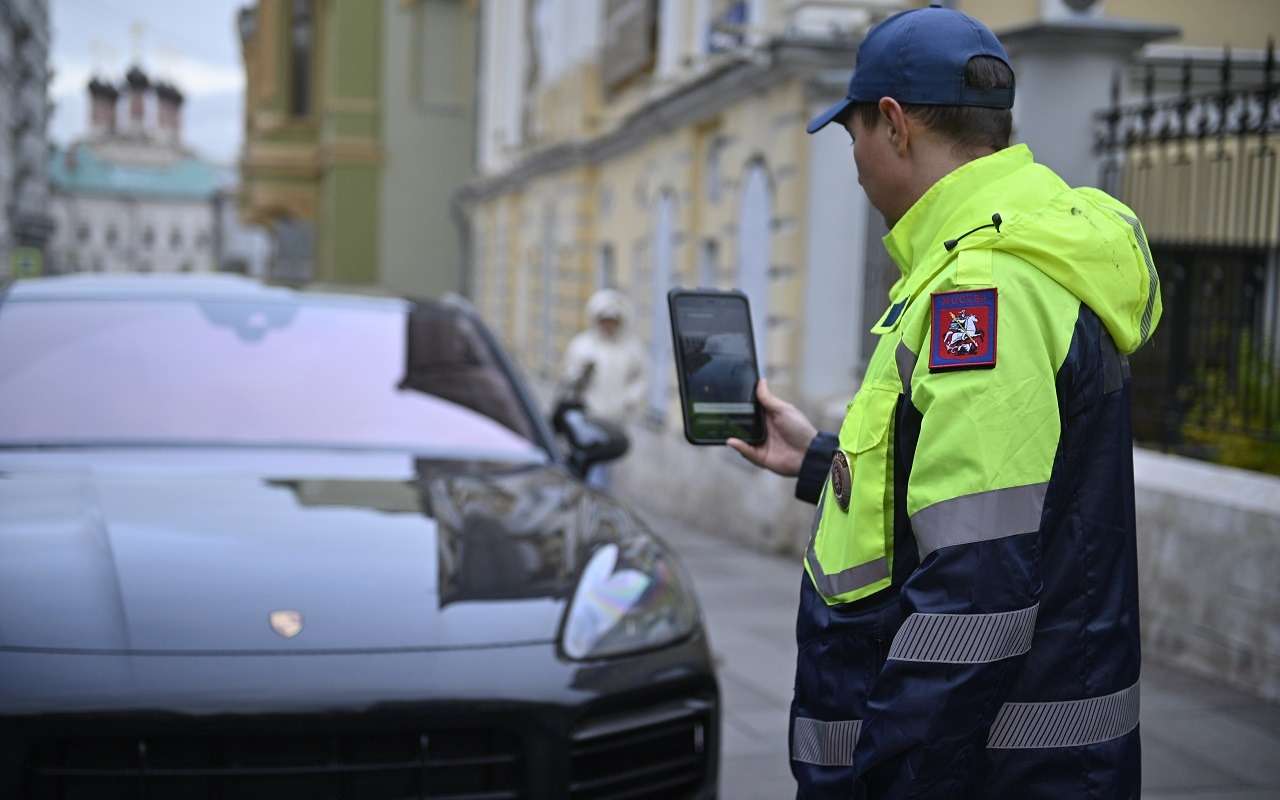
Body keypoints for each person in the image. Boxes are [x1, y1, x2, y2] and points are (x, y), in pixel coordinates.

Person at [727, 5, 1161, 798]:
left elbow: (975, 589)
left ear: (893, 124)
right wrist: (819, 459)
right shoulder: (1003, 257)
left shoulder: (984, 290)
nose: (853, 159)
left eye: (851, 131)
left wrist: (887, 780)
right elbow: (990, 497)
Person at [560, 289, 646, 489]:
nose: (608, 325)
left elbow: (640, 377)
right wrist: (581, 372)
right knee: (594, 468)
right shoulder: (583, 346)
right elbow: (568, 378)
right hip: (588, 416)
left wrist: (631, 398)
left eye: (612, 321)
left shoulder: (630, 348)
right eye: (604, 320)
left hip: (615, 417)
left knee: (608, 467)